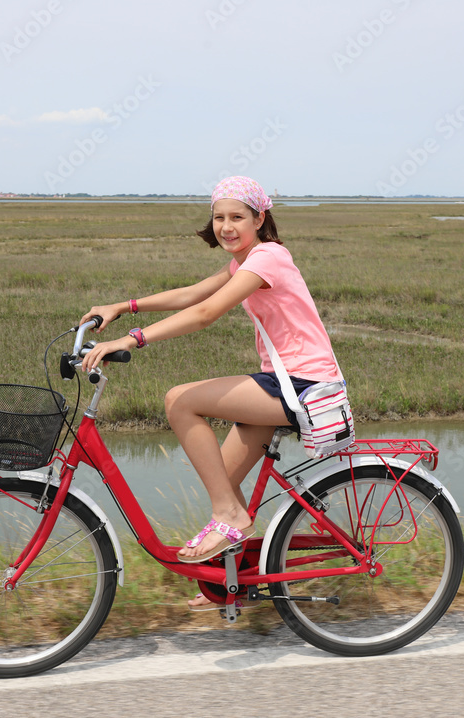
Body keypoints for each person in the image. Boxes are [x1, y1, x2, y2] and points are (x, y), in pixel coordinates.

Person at [80, 176, 344, 604]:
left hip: (304, 385)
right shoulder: (244, 261)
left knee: (179, 401)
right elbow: (192, 294)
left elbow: (205, 312)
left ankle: (231, 518)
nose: (226, 226)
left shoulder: (269, 257)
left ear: (260, 218)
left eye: (237, 216)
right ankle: (231, 576)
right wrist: (121, 306)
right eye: (219, 217)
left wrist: (130, 339)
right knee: (222, 475)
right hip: (282, 381)